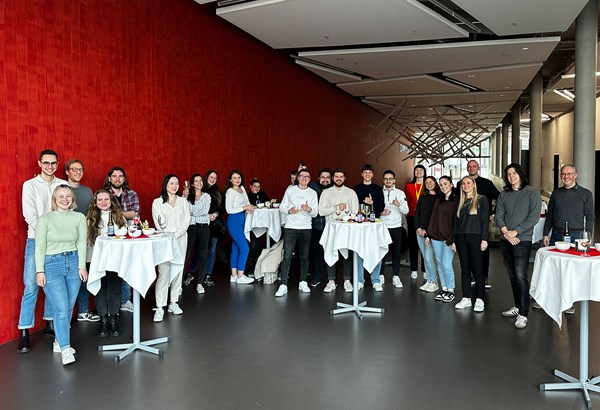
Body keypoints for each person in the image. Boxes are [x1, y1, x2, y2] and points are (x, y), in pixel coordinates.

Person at [17, 149, 67, 353]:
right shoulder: (29, 185)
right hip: (36, 240)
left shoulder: (62, 184)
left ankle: (49, 324)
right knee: (31, 286)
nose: (50, 166)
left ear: (57, 164)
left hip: (58, 243)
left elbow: (66, 211)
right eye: (46, 163)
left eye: (53, 163)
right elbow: (30, 215)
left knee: (52, 284)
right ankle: (24, 332)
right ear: (39, 163)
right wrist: (49, 233)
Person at [35, 185, 87, 365]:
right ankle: (66, 348)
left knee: (69, 306)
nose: (64, 199)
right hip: (51, 264)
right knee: (62, 308)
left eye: (68, 196)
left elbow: (81, 243)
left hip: (73, 262)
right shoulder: (45, 219)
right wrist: (39, 271)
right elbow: (39, 247)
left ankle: (59, 341)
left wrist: (82, 266)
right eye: (60, 196)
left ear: (72, 199)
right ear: (54, 199)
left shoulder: (79, 217)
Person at [540, 164, 593, 315]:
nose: (566, 176)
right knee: (554, 267)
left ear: (575, 175)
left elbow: (590, 217)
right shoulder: (556, 193)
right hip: (557, 235)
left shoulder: (586, 194)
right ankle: (550, 300)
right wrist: (545, 233)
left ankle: (569, 302)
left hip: (576, 236)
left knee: (572, 271)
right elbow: (550, 215)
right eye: (563, 174)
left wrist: (588, 236)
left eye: (569, 174)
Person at [496, 163, 541, 329]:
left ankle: (523, 313)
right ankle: (517, 306)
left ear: (521, 174)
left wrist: (516, 232)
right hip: (506, 240)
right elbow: (499, 216)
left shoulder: (532, 192)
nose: (511, 176)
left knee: (521, 276)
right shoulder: (503, 194)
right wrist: (507, 233)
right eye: (508, 174)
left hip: (522, 240)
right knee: (512, 276)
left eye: (514, 173)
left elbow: (533, 217)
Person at [86, 189, 127, 337]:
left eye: (106, 199)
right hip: (95, 259)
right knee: (100, 290)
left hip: (114, 259)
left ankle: (114, 320)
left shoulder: (119, 217)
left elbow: (124, 236)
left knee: (115, 290)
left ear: (111, 201)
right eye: (100, 200)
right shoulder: (89, 219)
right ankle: (103, 322)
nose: (103, 202)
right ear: (95, 202)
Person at [151, 175, 190, 322]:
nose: (174, 186)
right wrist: (169, 235)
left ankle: (173, 302)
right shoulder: (157, 202)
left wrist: (177, 234)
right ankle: (160, 307)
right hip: (164, 241)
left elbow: (187, 219)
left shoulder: (183, 201)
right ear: (165, 184)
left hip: (180, 239)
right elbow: (158, 223)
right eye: (171, 183)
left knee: (178, 270)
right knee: (164, 272)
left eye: (177, 183)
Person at [65, 159, 99, 323]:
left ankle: (83, 311)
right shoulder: (63, 190)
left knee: (84, 274)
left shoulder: (87, 191)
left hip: (87, 239)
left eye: (80, 169)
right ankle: (65, 316)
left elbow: (93, 212)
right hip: (68, 240)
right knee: (71, 278)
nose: (78, 172)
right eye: (74, 169)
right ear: (67, 171)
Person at [275, 168, 318, 297]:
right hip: (291, 227)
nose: (304, 179)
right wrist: (290, 210)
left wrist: (309, 209)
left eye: (307, 177)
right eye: (302, 176)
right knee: (287, 256)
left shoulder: (312, 193)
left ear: (309, 179)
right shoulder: (290, 190)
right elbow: (282, 207)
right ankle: (283, 284)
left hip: (306, 228)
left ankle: (303, 281)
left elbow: (315, 213)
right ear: (298, 178)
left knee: (305, 256)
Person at [104, 166, 140, 313]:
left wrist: (115, 212)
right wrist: (126, 213)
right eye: (114, 176)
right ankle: (111, 304)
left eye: (120, 176)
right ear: (109, 178)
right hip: (109, 239)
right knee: (111, 270)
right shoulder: (104, 194)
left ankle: (125, 300)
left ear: (124, 179)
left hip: (128, 237)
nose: (117, 179)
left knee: (126, 268)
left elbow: (135, 214)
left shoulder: (131, 194)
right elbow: (102, 213)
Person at [318, 168, 359, 293]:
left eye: (341, 176)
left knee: (347, 255)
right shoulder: (326, 193)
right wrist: (336, 207)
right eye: (336, 176)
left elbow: (355, 212)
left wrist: (346, 213)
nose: (339, 179)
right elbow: (321, 211)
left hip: (347, 228)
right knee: (330, 252)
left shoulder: (351, 193)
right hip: (331, 229)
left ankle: (347, 280)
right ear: (333, 178)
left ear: (344, 178)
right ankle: (331, 281)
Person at [453, 176, 490, 312]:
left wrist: (484, 239)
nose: (466, 185)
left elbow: (484, 221)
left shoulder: (482, 199)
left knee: (478, 270)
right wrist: (454, 241)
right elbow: (455, 223)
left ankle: (480, 299)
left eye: (468, 183)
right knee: (465, 270)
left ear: (474, 184)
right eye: (463, 183)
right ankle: (466, 298)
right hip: (461, 238)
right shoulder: (460, 201)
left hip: (476, 237)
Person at [465, 160, 499, 289]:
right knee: (468, 249)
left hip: (482, 221)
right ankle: (472, 274)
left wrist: (493, 213)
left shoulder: (487, 183)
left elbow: (500, 197)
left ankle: (484, 276)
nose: (471, 168)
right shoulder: (463, 183)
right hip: (467, 222)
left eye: (474, 166)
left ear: (478, 168)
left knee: (483, 248)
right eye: (469, 166)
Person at [425, 176, 458, 303]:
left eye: (445, 184)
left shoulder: (456, 200)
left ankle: (451, 290)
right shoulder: (439, 200)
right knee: (439, 264)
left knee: (446, 264)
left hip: (448, 237)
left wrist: (453, 239)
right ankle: (444, 288)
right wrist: (429, 235)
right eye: (441, 184)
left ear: (451, 184)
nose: (443, 186)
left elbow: (457, 222)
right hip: (436, 237)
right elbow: (433, 218)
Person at [354, 164, 386, 291]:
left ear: (372, 174)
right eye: (365, 172)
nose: (367, 175)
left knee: (376, 251)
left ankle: (376, 280)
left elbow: (381, 207)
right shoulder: (356, 189)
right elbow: (353, 207)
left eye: (369, 172)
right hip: (360, 224)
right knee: (359, 251)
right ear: (362, 174)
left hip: (374, 224)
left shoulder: (377, 189)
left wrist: (372, 203)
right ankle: (359, 280)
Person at [380, 170, 409, 289]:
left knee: (396, 253)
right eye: (386, 178)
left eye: (390, 178)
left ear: (394, 180)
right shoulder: (379, 192)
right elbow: (374, 208)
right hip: (382, 226)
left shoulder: (400, 193)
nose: (388, 181)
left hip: (396, 227)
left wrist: (398, 205)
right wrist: (381, 212)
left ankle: (396, 276)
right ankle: (380, 275)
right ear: (383, 180)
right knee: (381, 252)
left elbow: (406, 211)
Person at [183, 174, 211, 294]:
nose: (199, 182)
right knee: (185, 255)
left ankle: (199, 284)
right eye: (196, 181)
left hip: (203, 228)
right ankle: (179, 284)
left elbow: (203, 211)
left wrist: (191, 212)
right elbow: (183, 210)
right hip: (191, 228)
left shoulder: (207, 196)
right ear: (192, 184)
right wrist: (185, 198)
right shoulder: (187, 196)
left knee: (203, 256)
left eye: (200, 180)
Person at [225, 170, 255, 284]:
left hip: (242, 221)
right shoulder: (230, 191)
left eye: (239, 177)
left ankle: (233, 276)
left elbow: (247, 202)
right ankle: (241, 276)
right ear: (230, 180)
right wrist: (244, 208)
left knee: (236, 249)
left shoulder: (242, 188)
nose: (237, 180)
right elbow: (229, 210)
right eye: (234, 178)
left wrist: (248, 207)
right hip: (233, 221)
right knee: (245, 248)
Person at [415, 176, 441, 293]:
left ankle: (434, 282)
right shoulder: (423, 197)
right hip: (420, 232)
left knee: (429, 258)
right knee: (425, 257)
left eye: (431, 182)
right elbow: (417, 213)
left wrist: (428, 232)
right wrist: (418, 228)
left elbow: (436, 218)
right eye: (426, 183)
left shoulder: (439, 198)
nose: (429, 184)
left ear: (435, 183)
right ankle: (429, 280)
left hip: (430, 233)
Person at [308, 168, 332, 287]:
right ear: (318, 178)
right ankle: (316, 276)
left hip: (332, 226)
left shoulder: (334, 190)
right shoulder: (312, 187)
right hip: (316, 225)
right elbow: (299, 184)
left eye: (328, 178)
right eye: (323, 177)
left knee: (332, 252)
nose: (325, 180)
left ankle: (332, 279)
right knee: (316, 252)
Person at [405, 164, 427, 279]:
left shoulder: (427, 185)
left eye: (421, 170)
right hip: (412, 217)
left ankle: (425, 269)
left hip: (424, 218)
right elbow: (408, 202)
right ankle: (413, 269)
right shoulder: (409, 186)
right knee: (413, 243)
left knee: (425, 244)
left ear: (424, 172)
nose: (418, 172)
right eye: (416, 170)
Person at [203, 170, 224, 287]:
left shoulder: (218, 192)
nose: (213, 179)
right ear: (207, 177)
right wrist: (206, 215)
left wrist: (215, 214)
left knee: (212, 250)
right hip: (202, 223)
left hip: (214, 224)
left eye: (215, 178)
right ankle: (191, 273)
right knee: (200, 249)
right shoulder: (200, 190)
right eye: (211, 177)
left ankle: (208, 275)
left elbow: (222, 208)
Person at [246, 178, 269, 277]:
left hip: (262, 222)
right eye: (255, 186)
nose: (257, 188)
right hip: (250, 224)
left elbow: (267, 203)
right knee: (254, 245)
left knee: (265, 243)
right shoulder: (247, 196)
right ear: (250, 186)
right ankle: (251, 265)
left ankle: (262, 265)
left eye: (258, 186)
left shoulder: (262, 194)